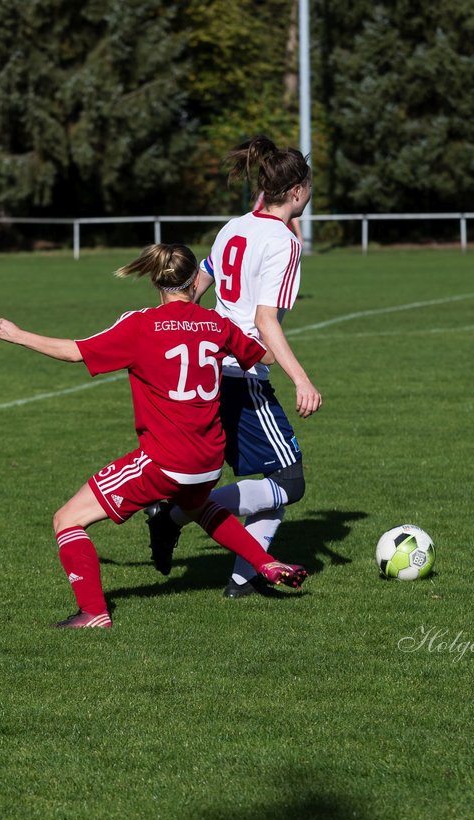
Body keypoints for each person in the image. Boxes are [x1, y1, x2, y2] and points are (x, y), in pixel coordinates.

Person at [0, 244, 308, 627]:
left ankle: (93, 612)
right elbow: (266, 357)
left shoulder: (140, 324)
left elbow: (76, 352)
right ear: (196, 281)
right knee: (198, 508)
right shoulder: (216, 323)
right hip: (209, 460)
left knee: (67, 519)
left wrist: (18, 335)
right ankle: (265, 562)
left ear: (156, 281)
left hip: (166, 460)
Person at [147, 136, 322, 598]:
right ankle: (176, 514)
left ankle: (244, 580)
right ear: (299, 191)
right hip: (242, 376)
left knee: (274, 481)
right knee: (289, 480)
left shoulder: (233, 226)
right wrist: (302, 379)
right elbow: (265, 321)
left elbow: (198, 283)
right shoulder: (284, 243)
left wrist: (175, 332)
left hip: (209, 370)